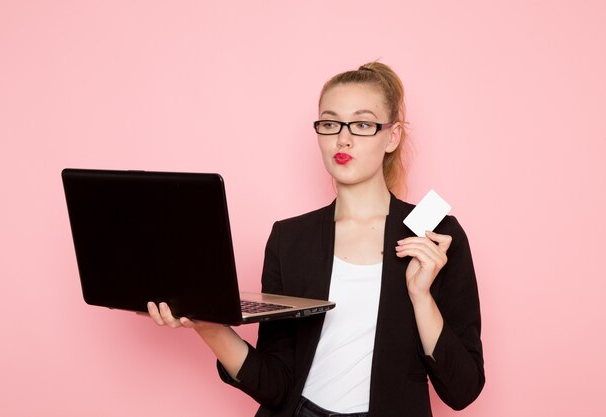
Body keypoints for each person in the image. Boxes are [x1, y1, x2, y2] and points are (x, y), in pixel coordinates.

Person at [147, 62, 485, 417]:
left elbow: (462, 390)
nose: (343, 138)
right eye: (329, 123)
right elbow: (275, 385)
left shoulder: (436, 236)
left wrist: (420, 296)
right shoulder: (289, 238)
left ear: (393, 136)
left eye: (363, 124)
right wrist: (208, 325)